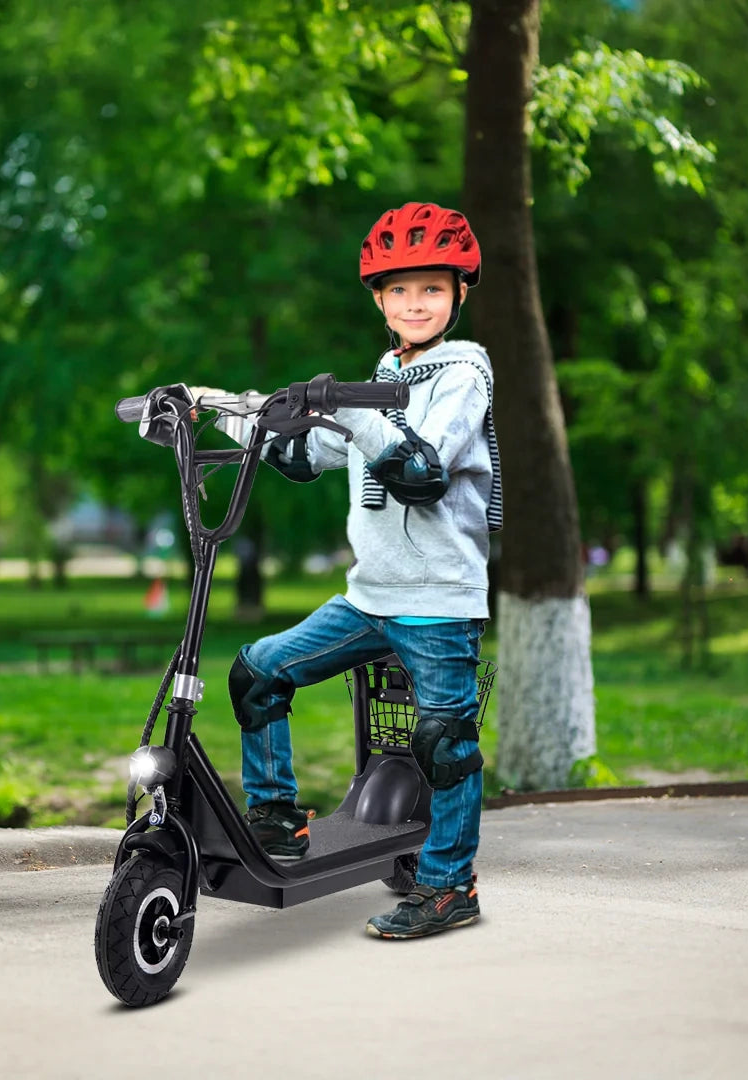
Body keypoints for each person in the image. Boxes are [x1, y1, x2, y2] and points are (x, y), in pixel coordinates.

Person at [224, 202, 502, 939]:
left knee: (444, 742)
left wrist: (346, 407)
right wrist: (231, 414)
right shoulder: (378, 377)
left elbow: (421, 469)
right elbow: (306, 454)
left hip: (439, 599)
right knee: (258, 674)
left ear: (459, 295)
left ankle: (449, 887)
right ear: (379, 299)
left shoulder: (465, 371)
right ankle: (276, 818)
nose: (417, 303)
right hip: (369, 597)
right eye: (401, 290)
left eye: (432, 289)